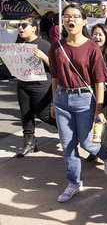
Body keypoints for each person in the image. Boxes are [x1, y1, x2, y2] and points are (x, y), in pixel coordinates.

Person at [48, 4, 107, 203]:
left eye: (76, 16)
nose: (71, 20)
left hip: (85, 99)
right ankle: (74, 183)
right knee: (68, 144)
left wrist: (99, 109)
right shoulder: (56, 47)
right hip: (61, 99)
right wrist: (53, 102)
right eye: (67, 17)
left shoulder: (92, 47)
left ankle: (106, 153)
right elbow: (55, 77)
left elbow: (100, 80)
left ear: (84, 21)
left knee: (87, 143)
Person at [14, 16, 57, 158]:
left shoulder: (45, 45)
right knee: (26, 114)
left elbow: (56, 68)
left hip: (41, 85)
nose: (20, 28)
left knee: (44, 115)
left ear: (34, 28)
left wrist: (44, 57)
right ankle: (29, 143)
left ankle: (68, 130)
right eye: (19, 25)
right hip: (23, 83)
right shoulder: (19, 43)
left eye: (24, 25)